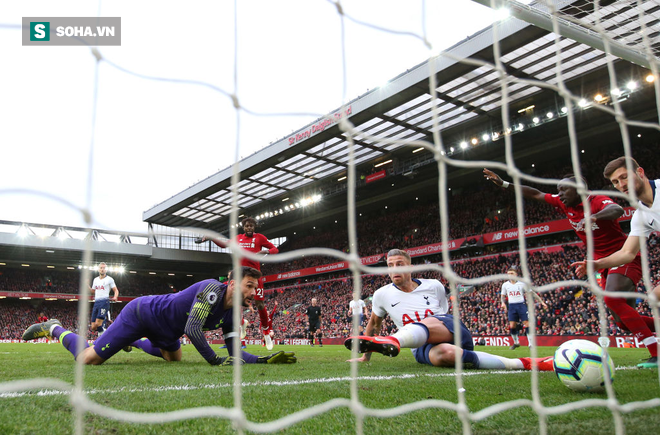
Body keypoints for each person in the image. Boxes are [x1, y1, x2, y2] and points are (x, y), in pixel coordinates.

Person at [484, 168, 656, 368]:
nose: (560, 194)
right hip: (602, 263)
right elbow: (535, 194)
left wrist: (595, 217)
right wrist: (504, 183)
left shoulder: (596, 201)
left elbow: (616, 210)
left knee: (611, 299)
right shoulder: (563, 203)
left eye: (564, 190)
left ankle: (656, 353)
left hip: (624, 256)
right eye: (559, 190)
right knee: (622, 322)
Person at [22, 267, 297, 366]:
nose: (253, 292)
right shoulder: (212, 290)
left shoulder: (232, 312)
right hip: (142, 313)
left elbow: (235, 350)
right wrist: (214, 360)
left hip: (166, 332)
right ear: (234, 283)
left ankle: (132, 342)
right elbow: (192, 328)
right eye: (249, 286)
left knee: (173, 358)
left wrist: (263, 359)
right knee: (88, 360)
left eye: (255, 287)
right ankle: (54, 328)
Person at [344, 249, 554, 371]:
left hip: (452, 330)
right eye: (390, 265)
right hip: (422, 347)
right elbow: (373, 325)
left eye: (399, 263)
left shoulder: (433, 285)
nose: (394, 268)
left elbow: (444, 315)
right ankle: (524, 363)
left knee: (430, 322)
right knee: (444, 355)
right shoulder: (382, 294)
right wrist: (365, 356)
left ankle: (395, 340)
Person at [570, 156, 659, 368]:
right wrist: (597, 264)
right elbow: (627, 252)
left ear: (640, 172)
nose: (621, 185)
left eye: (624, 177)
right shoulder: (641, 215)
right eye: (615, 183)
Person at [197, 217, 279, 349]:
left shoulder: (260, 238)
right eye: (247, 226)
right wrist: (211, 238)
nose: (249, 228)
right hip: (240, 275)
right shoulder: (238, 238)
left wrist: (266, 251)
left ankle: (266, 331)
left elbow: (275, 249)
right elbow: (224, 244)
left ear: (254, 227)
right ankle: (233, 331)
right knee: (229, 301)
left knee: (259, 303)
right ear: (243, 227)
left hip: (254, 275)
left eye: (251, 226)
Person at [501, 266, 547, 350]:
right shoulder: (505, 285)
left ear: (516, 274)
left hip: (521, 305)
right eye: (508, 274)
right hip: (511, 306)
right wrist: (503, 303)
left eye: (512, 273)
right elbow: (503, 296)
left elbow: (532, 293)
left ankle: (530, 344)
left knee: (526, 323)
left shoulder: (522, 284)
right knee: (512, 326)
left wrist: (541, 302)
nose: (510, 275)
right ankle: (516, 342)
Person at [89, 262, 119, 336]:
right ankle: (105, 332)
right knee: (93, 327)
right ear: (98, 269)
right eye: (101, 268)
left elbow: (115, 290)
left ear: (106, 270)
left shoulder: (109, 279)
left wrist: (115, 296)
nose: (102, 269)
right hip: (96, 302)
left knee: (98, 323)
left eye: (104, 268)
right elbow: (93, 291)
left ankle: (104, 336)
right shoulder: (95, 280)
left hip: (104, 302)